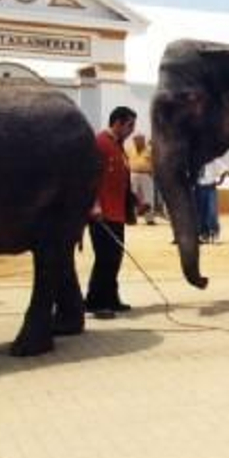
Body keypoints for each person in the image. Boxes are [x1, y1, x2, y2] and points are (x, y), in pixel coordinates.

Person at [86, 106, 137, 319]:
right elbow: (90, 176)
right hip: (102, 213)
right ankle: (97, 303)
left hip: (117, 213)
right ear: (117, 122)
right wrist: (94, 204)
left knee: (114, 259)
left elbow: (122, 181)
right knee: (105, 259)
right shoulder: (100, 143)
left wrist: (137, 202)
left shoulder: (119, 146)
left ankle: (111, 298)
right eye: (130, 125)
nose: (132, 130)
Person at [126, 132, 158, 225]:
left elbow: (156, 162)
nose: (139, 141)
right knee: (132, 196)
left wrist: (153, 172)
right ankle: (131, 218)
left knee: (148, 196)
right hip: (133, 174)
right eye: (136, 139)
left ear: (144, 140)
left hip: (146, 174)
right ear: (134, 140)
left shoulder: (150, 150)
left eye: (141, 139)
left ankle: (149, 218)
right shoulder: (129, 149)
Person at [195, 157, 226, 244]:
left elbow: (224, 170)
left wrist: (220, 181)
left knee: (212, 211)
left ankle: (214, 233)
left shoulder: (212, 160)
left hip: (210, 188)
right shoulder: (195, 160)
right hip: (199, 188)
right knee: (201, 212)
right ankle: (204, 234)